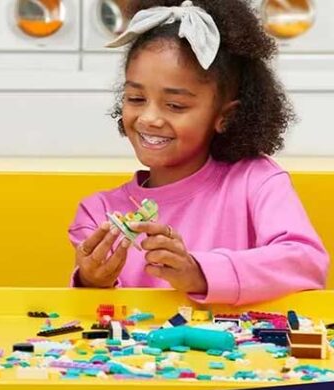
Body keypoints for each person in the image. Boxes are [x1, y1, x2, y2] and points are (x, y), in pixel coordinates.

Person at [68, 0, 328, 305]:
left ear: (226, 116)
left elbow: (306, 262)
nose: (149, 118)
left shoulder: (256, 182)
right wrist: (91, 280)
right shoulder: (99, 212)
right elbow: (94, 318)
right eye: (136, 98)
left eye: (175, 105)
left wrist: (200, 272)